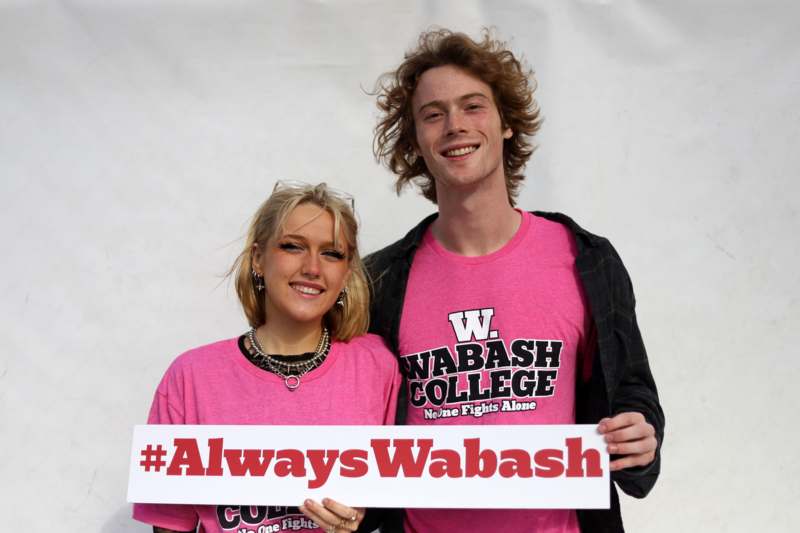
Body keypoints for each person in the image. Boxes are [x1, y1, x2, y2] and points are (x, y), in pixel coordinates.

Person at [366, 29, 665, 532]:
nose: (455, 126)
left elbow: (631, 391)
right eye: (433, 114)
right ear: (416, 140)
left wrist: (640, 432)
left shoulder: (585, 258)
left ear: (505, 123)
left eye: (473, 106)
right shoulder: (380, 280)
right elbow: (354, 419)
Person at [132, 182, 401, 533]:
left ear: (347, 271)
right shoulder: (191, 377)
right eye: (293, 247)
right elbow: (170, 525)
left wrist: (362, 521)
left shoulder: (377, 366)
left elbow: (400, 498)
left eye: (331, 254)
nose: (312, 268)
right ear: (258, 259)